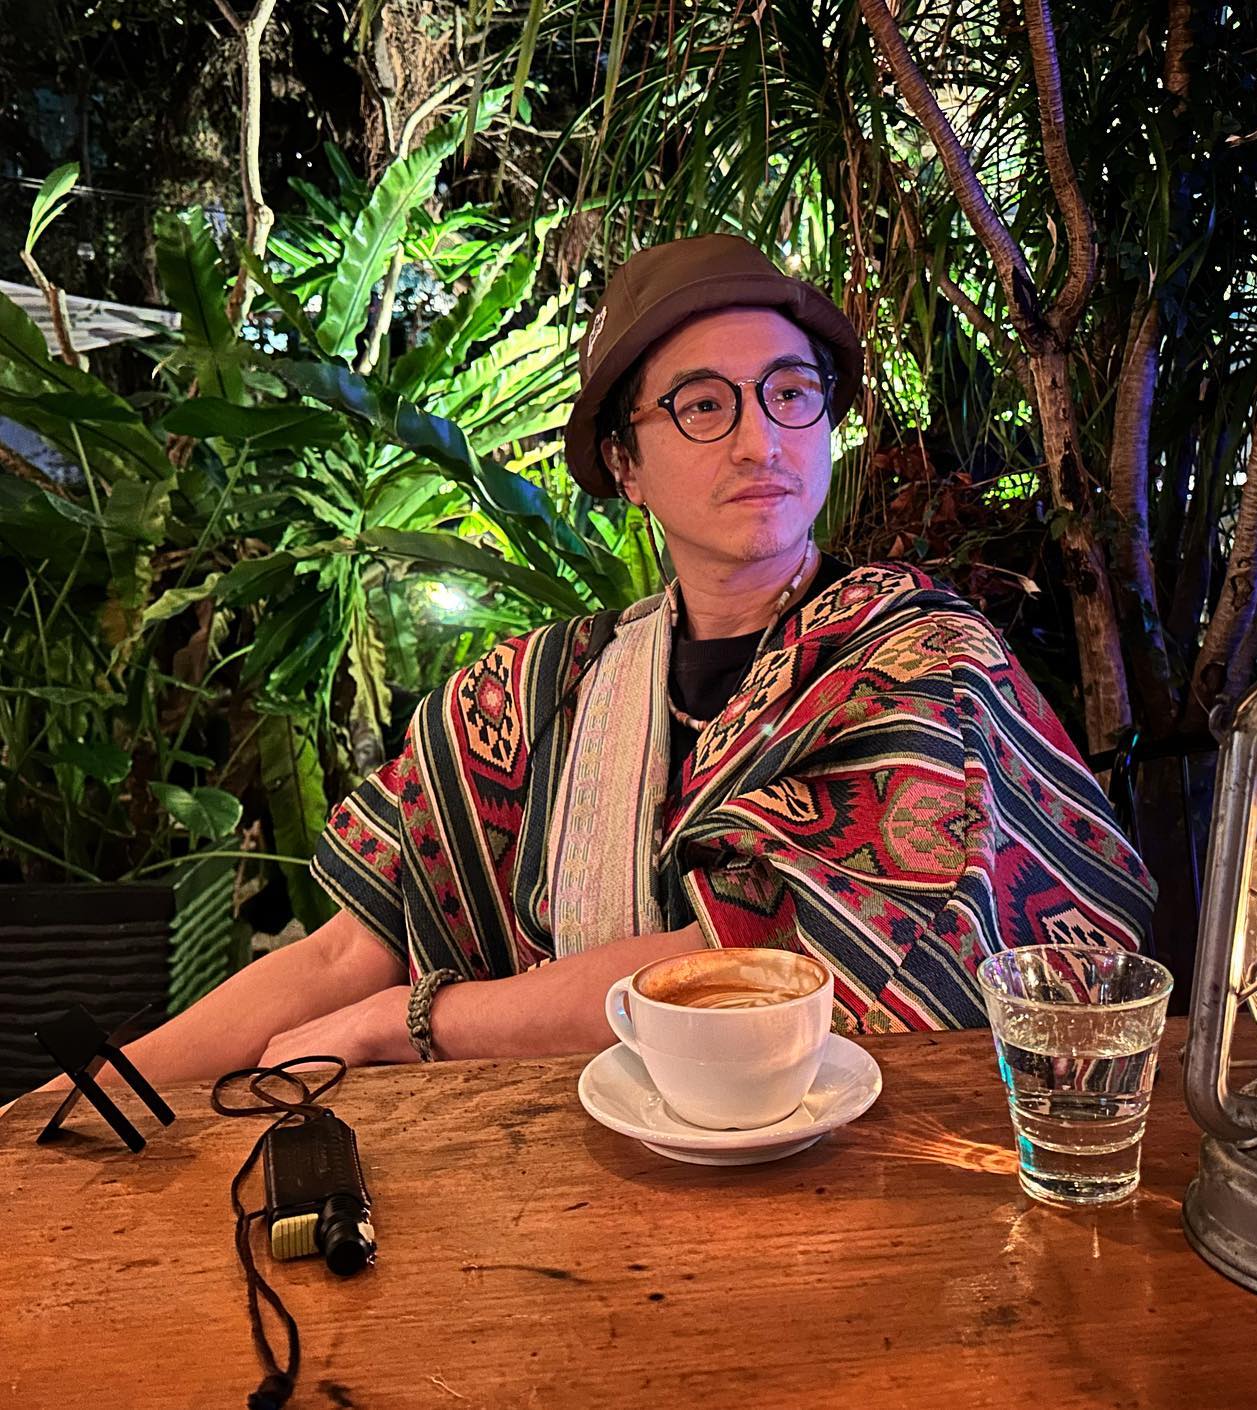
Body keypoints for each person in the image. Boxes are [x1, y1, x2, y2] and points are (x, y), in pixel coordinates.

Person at [32, 234, 1155, 1089]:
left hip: (867, 1191)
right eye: (702, 405)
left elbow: (760, 970)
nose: (761, 439)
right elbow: (338, 960)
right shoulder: (535, 697)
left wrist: (411, 1022)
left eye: (791, 393)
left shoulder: (917, 662)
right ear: (624, 461)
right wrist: (83, 1097)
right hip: (561, 1190)